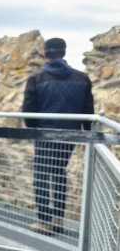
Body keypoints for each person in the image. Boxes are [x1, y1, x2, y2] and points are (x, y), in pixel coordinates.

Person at [22, 37, 94, 235]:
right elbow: (88, 110)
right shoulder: (82, 78)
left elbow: (28, 111)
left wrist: (36, 129)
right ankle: (58, 220)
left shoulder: (36, 79)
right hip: (69, 135)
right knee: (59, 172)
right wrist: (86, 135)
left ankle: (44, 221)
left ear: (45, 55)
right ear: (64, 53)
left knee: (41, 176)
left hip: (45, 134)